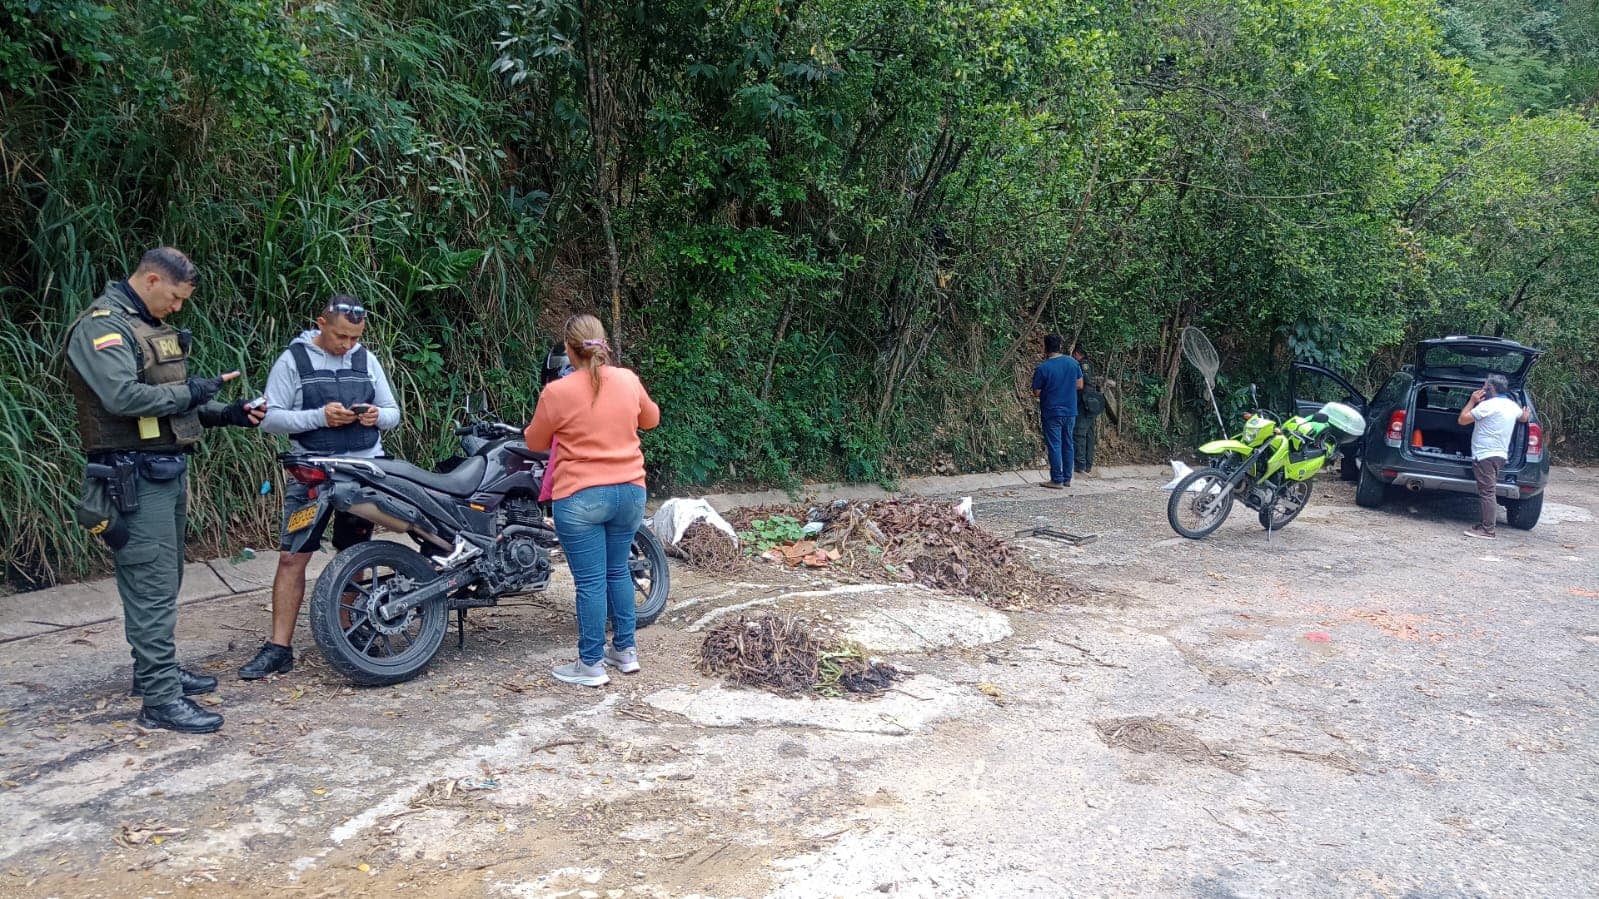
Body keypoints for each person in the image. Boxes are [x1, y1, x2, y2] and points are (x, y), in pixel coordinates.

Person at [65, 247, 264, 734]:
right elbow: (123, 397)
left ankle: (154, 672)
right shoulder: (102, 326)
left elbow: (167, 409)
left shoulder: (146, 325)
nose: (177, 309)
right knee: (152, 588)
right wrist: (193, 392)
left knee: (164, 579)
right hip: (132, 476)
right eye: (174, 298)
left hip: (164, 471)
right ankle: (159, 700)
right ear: (152, 280)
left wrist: (227, 413)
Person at [238, 296, 403, 679]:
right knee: (293, 556)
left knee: (354, 554)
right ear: (321, 324)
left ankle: (353, 632)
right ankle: (279, 647)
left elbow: (393, 412)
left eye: (355, 337)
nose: (348, 344)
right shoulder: (292, 360)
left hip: (362, 470)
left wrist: (378, 416)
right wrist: (320, 417)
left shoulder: (367, 359)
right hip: (310, 473)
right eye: (341, 336)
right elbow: (269, 419)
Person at [524, 315, 660, 687]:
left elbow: (535, 443)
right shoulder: (628, 380)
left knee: (590, 582)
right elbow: (651, 419)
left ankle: (590, 664)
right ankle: (626, 652)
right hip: (630, 491)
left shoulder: (558, 392)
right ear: (603, 345)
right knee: (618, 570)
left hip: (581, 496)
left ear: (569, 350)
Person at [1458, 373, 1531, 540]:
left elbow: (1462, 420)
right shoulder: (1512, 406)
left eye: (1484, 386)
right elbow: (1523, 418)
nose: (1482, 388)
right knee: (1488, 489)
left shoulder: (1487, 406)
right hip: (1500, 456)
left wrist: (1472, 400)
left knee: (1487, 492)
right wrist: (1526, 417)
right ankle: (1484, 523)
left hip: (1485, 455)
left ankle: (1488, 530)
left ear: (1491, 389)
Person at [1031, 333, 1083, 489]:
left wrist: (1053, 389)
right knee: (1068, 443)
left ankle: (1056, 479)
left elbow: (1037, 392)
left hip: (1052, 411)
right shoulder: (1073, 363)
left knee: (1055, 444)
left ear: (1045, 347)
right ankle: (1067, 478)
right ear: (1060, 346)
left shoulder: (1043, 368)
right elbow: (1080, 385)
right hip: (1070, 410)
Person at [1071, 346, 1108, 476]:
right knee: (1089, 433)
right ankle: (1087, 465)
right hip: (1091, 403)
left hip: (1085, 402)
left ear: (1077, 354)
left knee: (1079, 432)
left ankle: (1080, 465)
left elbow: (1084, 380)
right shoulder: (1089, 364)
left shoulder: (1082, 364)